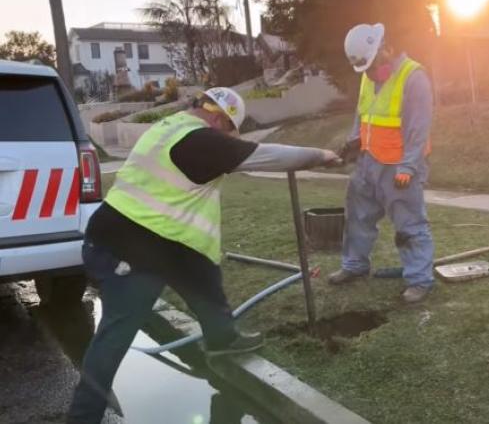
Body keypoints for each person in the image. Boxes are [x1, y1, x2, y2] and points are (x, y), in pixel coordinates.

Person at [67, 87, 340, 424]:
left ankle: (223, 339)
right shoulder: (201, 141)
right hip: (126, 248)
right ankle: (82, 417)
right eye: (229, 130)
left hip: (158, 240)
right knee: (116, 334)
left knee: (203, 279)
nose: (228, 139)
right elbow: (269, 155)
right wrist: (322, 154)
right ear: (218, 118)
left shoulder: (170, 127)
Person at [330, 23, 435, 304]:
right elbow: (363, 115)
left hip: (398, 166)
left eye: (374, 65)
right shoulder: (367, 76)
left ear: (386, 48)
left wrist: (408, 167)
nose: (372, 73)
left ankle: (419, 280)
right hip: (368, 162)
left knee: (408, 225)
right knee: (357, 217)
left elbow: (418, 129)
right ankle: (354, 265)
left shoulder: (414, 77)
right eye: (366, 68)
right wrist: (353, 143)